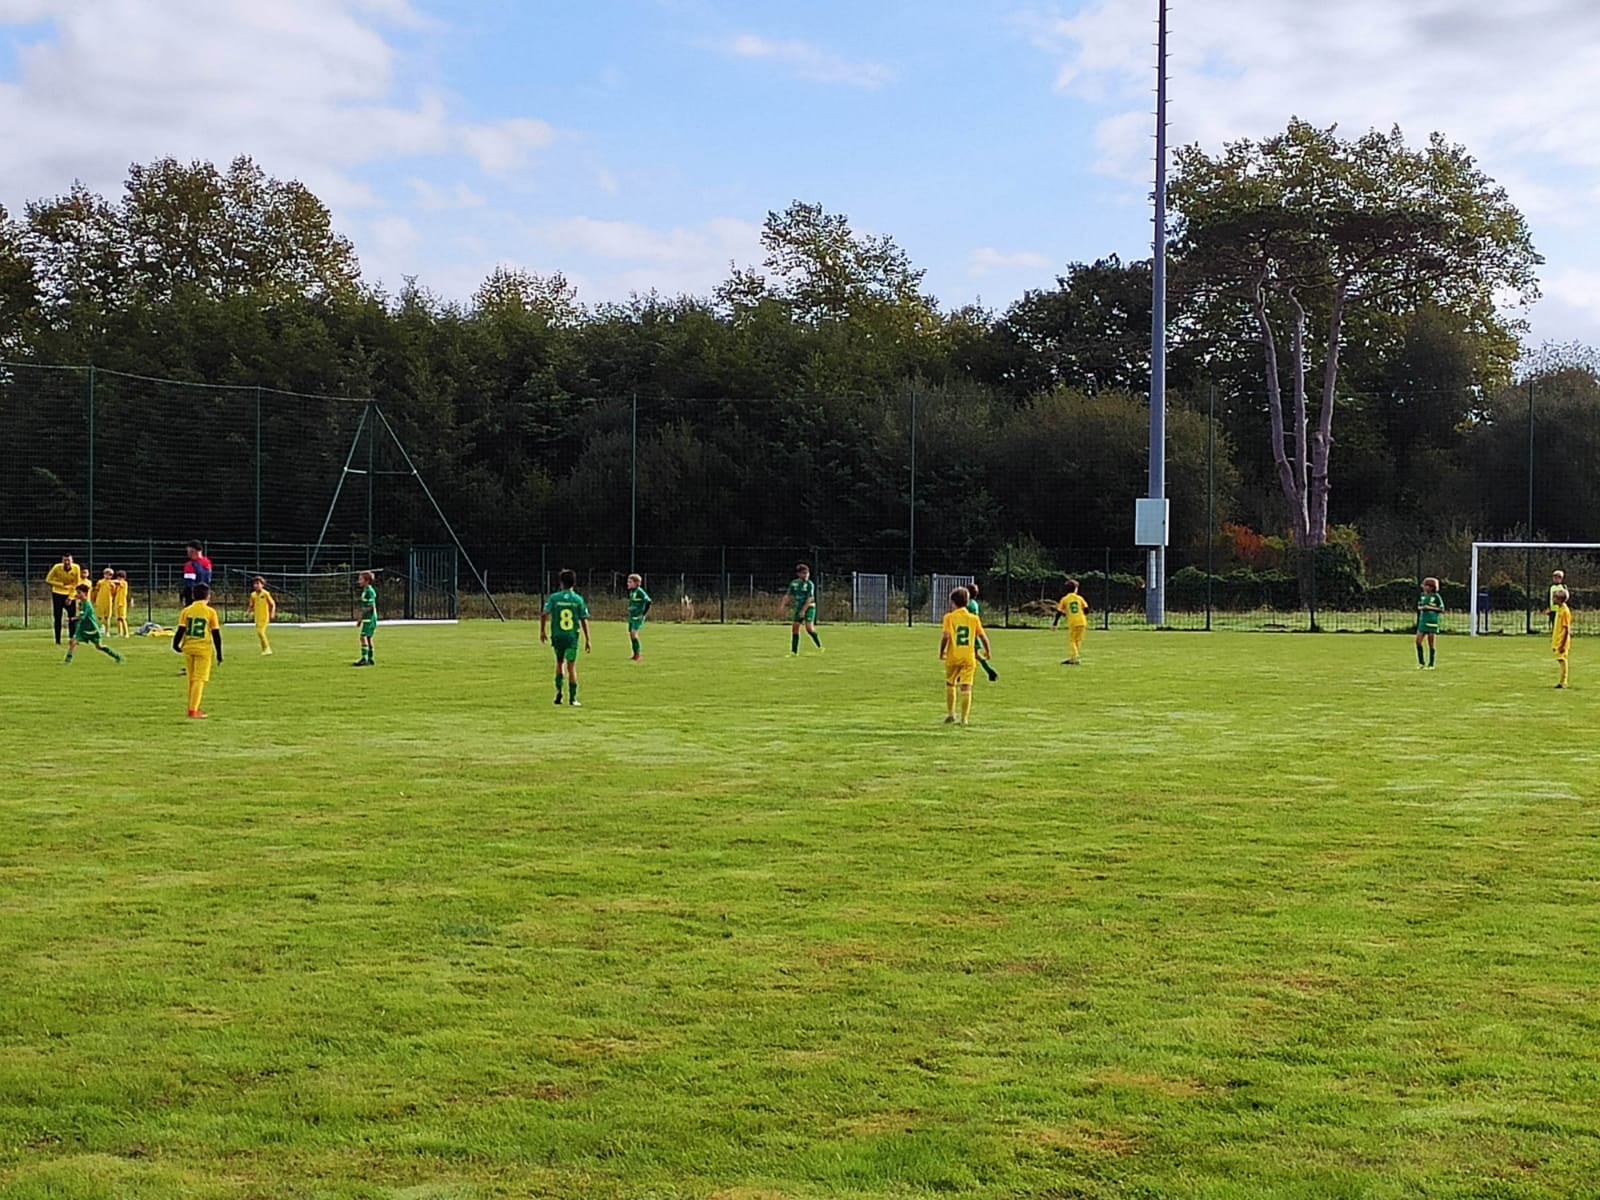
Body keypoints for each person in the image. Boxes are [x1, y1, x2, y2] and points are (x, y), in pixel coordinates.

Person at [939, 586, 989, 726]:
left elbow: (946, 636)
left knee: (950, 683)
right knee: (966, 687)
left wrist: (941, 651)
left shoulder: (949, 617)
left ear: (953, 602)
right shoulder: (973, 618)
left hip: (953, 656)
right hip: (969, 657)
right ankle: (964, 718)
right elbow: (983, 636)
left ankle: (950, 714)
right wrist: (988, 651)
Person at [541, 569, 592, 706]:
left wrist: (542, 631)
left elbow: (544, 614)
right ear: (574, 583)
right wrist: (588, 639)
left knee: (559, 663)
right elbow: (584, 619)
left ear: (561, 583)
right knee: (571, 667)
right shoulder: (578, 599)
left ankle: (558, 692)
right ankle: (573, 698)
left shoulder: (554, 598)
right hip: (571, 637)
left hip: (557, 636)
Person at [172, 581, 223, 718]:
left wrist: (175, 644)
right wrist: (219, 653)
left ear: (193, 596)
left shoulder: (187, 611)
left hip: (188, 647)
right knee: (199, 679)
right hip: (203, 648)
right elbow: (216, 634)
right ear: (208, 596)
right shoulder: (210, 612)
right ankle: (193, 710)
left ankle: (191, 706)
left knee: (191, 679)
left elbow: (181, 630)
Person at [64, 583, 123, 665]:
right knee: (73, 642)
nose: (77, 594)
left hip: (92, 629)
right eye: (77, 592)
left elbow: (82, 617)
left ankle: (117, 656)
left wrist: (70, 619)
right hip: (82, 629)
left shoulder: (87, 604)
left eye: (79, 592)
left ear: (85, 593)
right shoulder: (81, 603)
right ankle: (67, 661)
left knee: (99, 647)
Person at [780, 562, 822, 656]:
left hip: (809, 607)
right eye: (804, 573)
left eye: (807, 573)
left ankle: (819, 646)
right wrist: (782, 605)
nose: (806, 575)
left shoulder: (810, 584)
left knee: (809, 629)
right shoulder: (794, 583)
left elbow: (809, 598)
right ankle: (794, 652)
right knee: (795, 628)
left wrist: (803, 610)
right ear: (799, 574)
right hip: (798, 607)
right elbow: (787, 595)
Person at [45, 552, 85, 645]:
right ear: (62, 561)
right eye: (65, 560)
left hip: (70, 594)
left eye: (69, 560)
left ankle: (72, 638)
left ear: (72, 561)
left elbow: (77, 584)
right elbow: (48, 579)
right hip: (57, 593)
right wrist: (60, 584)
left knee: (72, 617)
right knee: (57, 617)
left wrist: (71, 597)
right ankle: (57, 640)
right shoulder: (57, 567)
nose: (67, 562)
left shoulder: (76, 568)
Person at [1052, 579, 1091, 665]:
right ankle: (1073, 657)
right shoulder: (1080, 598)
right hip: (1082, 621)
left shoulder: (1064, 599)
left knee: (1072, 640)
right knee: (1077, 640)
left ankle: (1075, 657)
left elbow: (1059, 612)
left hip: (1073, 622)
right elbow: (1086, 610)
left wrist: (1055, 623)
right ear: (1075, 589)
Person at [966, 582, 999, 681]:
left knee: (966, 655)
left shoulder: (967, 605)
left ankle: (961, 675)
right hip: (974, 631)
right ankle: (990, 671)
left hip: (968, 632)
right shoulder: (975, 604)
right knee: (975, 655)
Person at [1415, 576, 1445, 669]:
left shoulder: (1436, 596)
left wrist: (1429, 608)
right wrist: (1421, 608)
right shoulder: (1422, 595)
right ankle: (1421, 662)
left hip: (1432, 621)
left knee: (1431, 643)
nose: (1423, 587)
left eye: (1425, 585)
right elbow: (1419, 606)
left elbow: (1441, 608)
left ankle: (1431, 664)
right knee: (1418, 641)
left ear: (1431, 587)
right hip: (1423, 621)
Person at [247, 575, 277, 656]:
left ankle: (267, 648)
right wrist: (248, 612)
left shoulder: (266, 593)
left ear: (262, 585)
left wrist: (272, 613)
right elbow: (251, 605)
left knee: (261, 632)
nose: (256, 585)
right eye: (255, 584)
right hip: (257, 617)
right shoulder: (253, 595)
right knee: (259, 633)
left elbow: (273, 604)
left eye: (258, 583)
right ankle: (264, 649)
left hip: (264, 617)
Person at [353, 571, 378, 666]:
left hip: (370, 618)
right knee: (368, 638)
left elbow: (370, 606)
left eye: (360, 579)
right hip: (367, 618)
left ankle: (365, 658)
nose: (359, 581)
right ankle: (370, 659)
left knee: (362, 637)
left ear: (367, 581)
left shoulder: (369, 591)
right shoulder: (365, 590)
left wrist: (361, 615)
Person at [626, 573, 651, 661]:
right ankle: (635, 654)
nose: (628, 584)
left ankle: (638, 655)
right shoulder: (632, 592)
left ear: (636, 583)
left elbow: (648, 601)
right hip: (632, 616)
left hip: (638, 617)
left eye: (630, 582)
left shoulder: (640, 591)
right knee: (631, 635)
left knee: (634, 634)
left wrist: (643, 614)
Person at [1551, 586, 1572, 689]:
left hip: (1562, 640)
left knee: (1562, 660)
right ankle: (1562, 681)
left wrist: (1563, 643)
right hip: (1557, 639)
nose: (1552, 599)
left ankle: (1563, 681)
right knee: (1560, 660)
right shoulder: (1559, 609)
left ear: (1559, 599)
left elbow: (1567, 629)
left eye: (1554, 598)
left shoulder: (1565, 611)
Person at [181, 542, 212, 606]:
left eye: (188, 551)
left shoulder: (190, 565)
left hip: (193, 598)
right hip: (205, 596)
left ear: (193, 551)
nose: (188, 554)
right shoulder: (208, 563)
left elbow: (189, 584)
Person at [112, 569, 131, 638]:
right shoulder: (117, 586)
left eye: (120, 577)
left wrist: (109, 581)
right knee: (118, 619)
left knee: (122, 618)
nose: (119, 578)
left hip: (122, 603)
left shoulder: (124, 583)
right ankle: (120, 633)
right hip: (117, 602)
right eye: (118, 577)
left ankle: (126, 633)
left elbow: (118, 582)